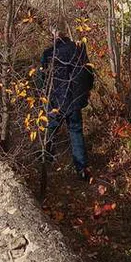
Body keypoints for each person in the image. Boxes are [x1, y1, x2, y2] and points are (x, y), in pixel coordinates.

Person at [38, 19, 95, 182]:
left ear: (54, 34)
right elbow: (88, 73)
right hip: (74, 100)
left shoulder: (48, 54)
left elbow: (41, 80)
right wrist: (86, 92)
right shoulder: (78, 48)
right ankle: (82, 169)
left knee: (51, 129)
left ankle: (46, 157)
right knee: (76, 132)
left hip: (56, 101)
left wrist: (43, 96)